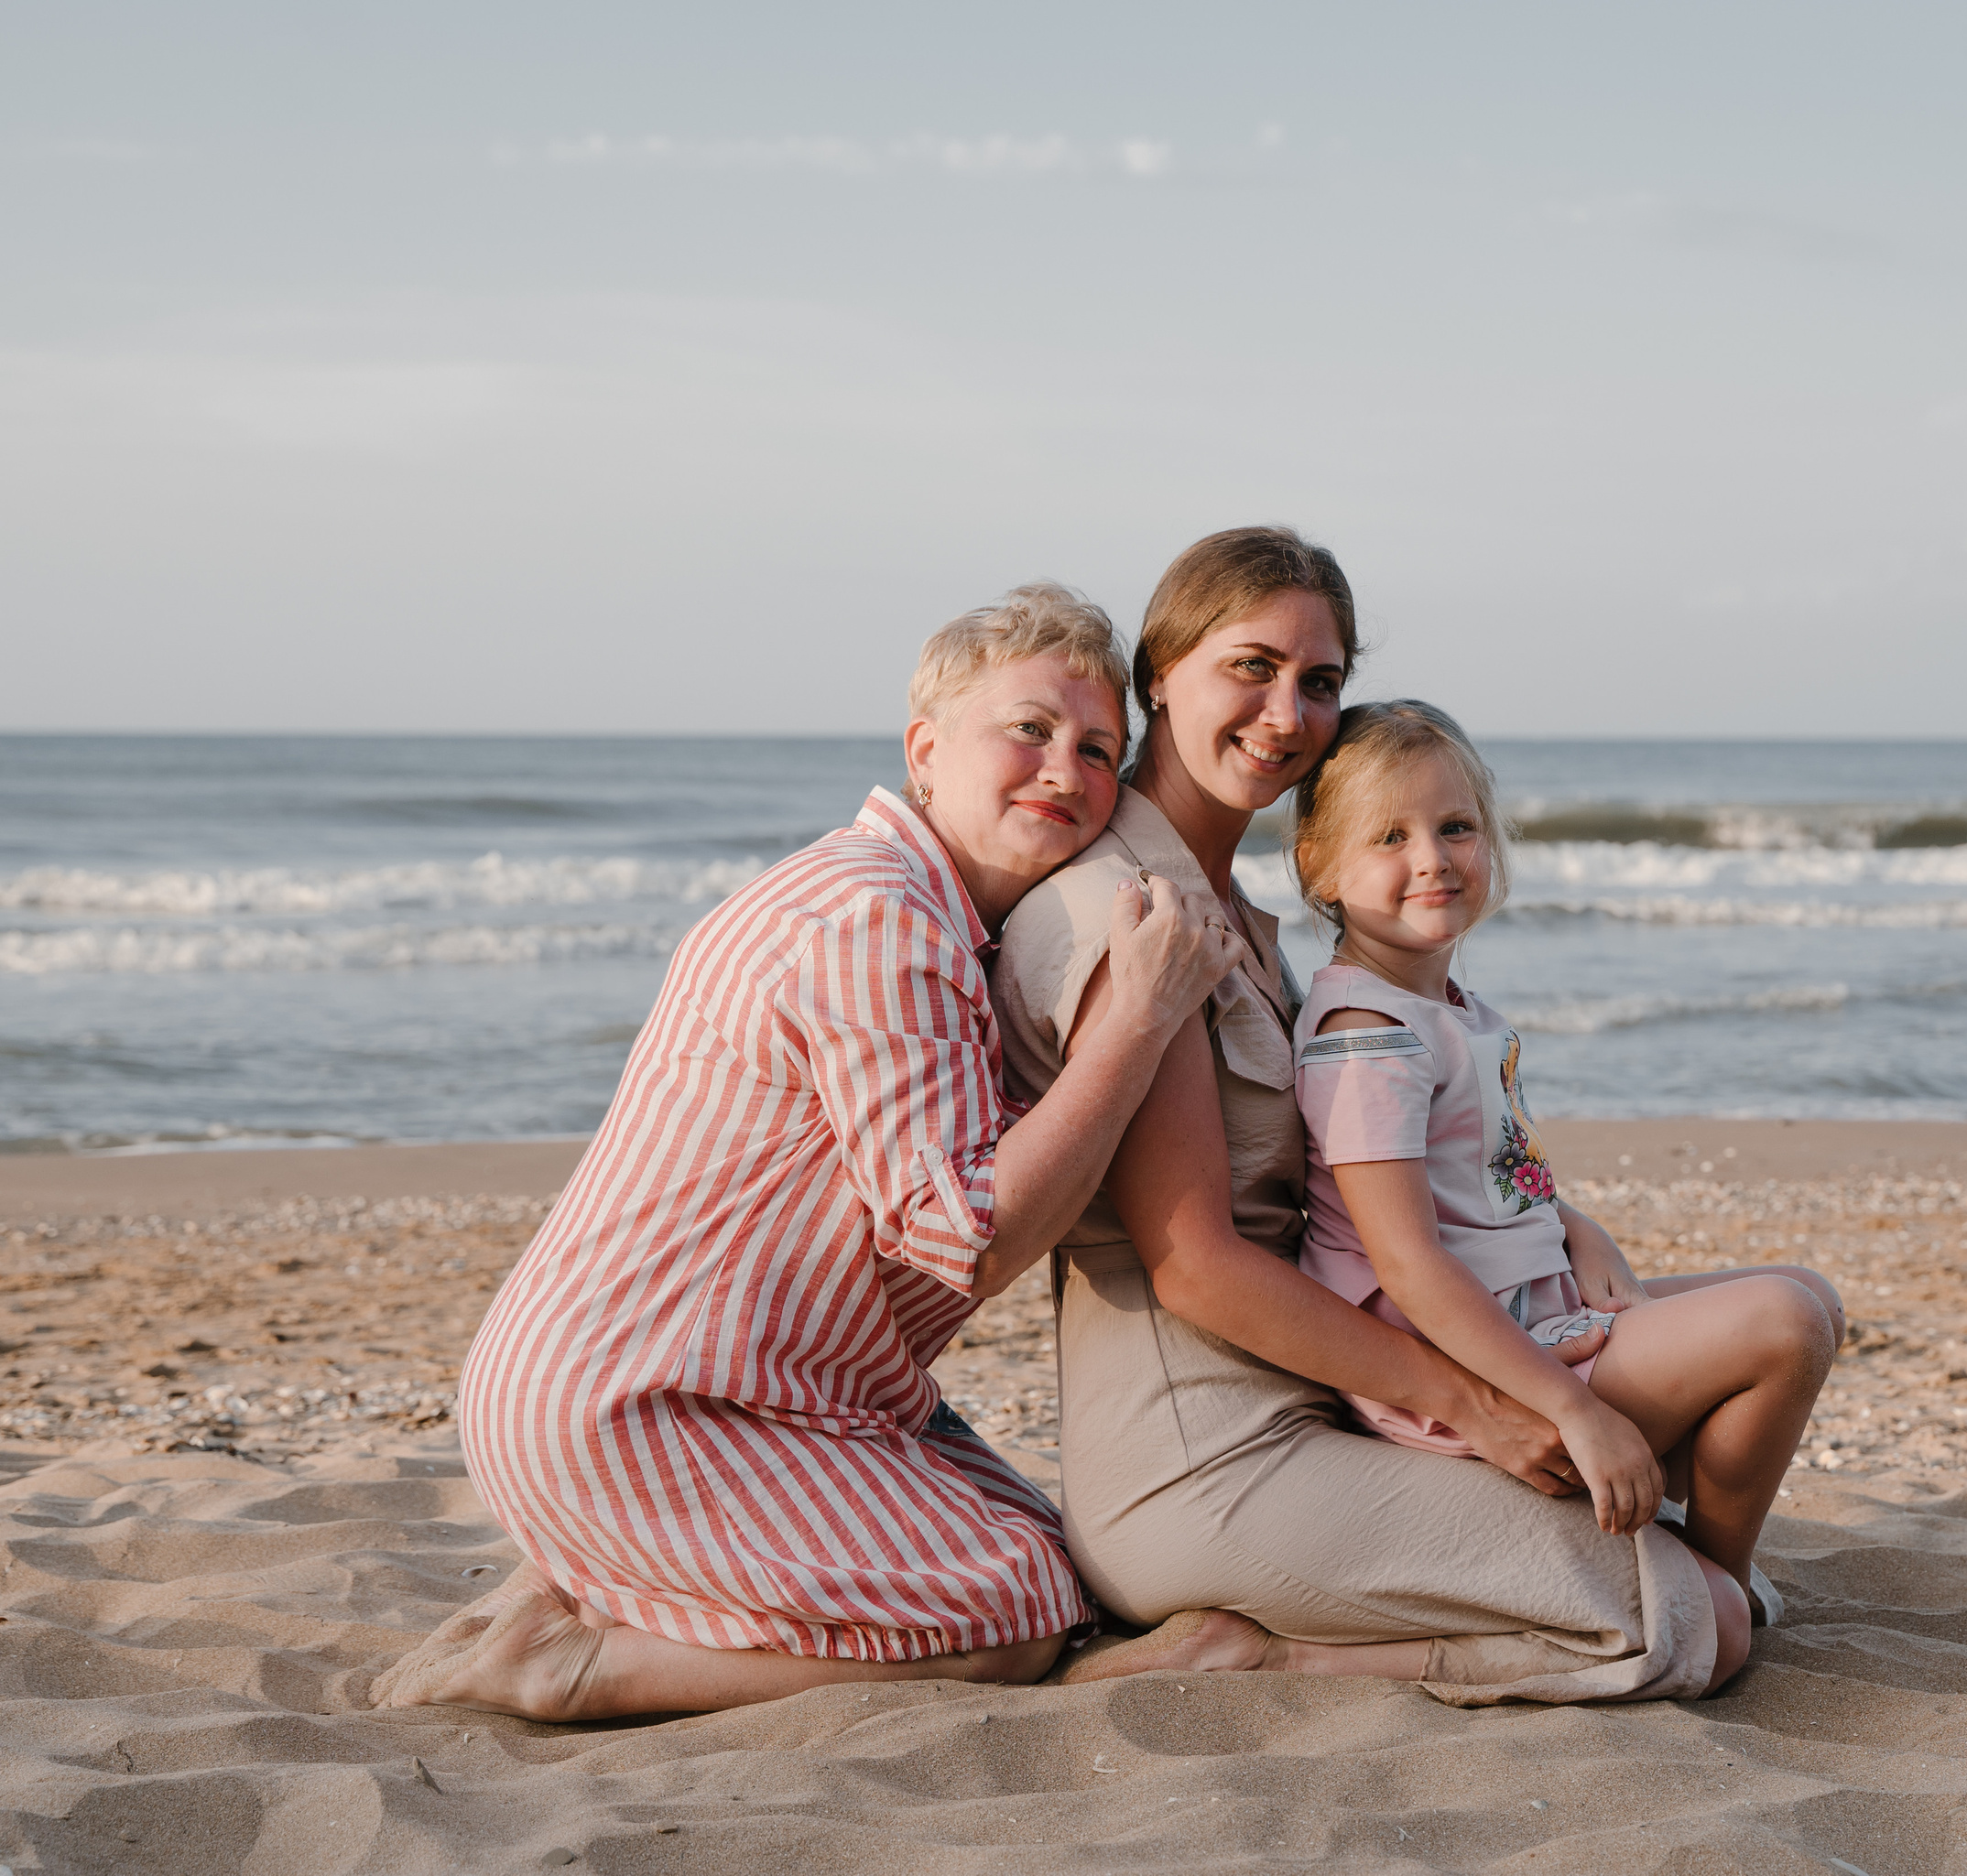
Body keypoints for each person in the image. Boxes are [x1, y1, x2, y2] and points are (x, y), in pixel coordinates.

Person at [992, 526, 1842, 1703]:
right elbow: (1193, 1265)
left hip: (1333, 1403)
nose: (1286, 715)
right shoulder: (1133, 917)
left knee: (1739, 1358)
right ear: (1158, 674)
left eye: (1321, 681)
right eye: (1250, 666)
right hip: (1212, 1461)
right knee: (1708, 1624)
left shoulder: (1234, 913)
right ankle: (1261, 1650)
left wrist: (1563, 1234)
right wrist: (1484, 1410)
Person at [375, 585, 1243, 1720]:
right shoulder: (876, 919)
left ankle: (608, 1594)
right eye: (1027, 730)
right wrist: (1135, 1024)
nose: (1066, 772)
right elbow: (965, 1241)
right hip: (645, 1409)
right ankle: (568, 1665)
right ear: (926, 750)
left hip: (770, 1392)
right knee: (1018, 1613)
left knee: (1072, 1565)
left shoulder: (909, 904)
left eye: (1097, 750)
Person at [1287, 699, 1834, 1619]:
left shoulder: (1446, 1005)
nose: (1432, 858)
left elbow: (1490, 1170)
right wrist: (1573, 1411)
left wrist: (1577, 1227)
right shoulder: (1366, 1035)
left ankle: (1672, 1533)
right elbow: (1408, 1264)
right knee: (1783, 1323)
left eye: (1455, 826)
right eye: (1389, 836)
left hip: (1530, 1308)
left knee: (1808, 1292)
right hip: (1474, 1367)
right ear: (1321, 869)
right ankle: (1714, 1579)